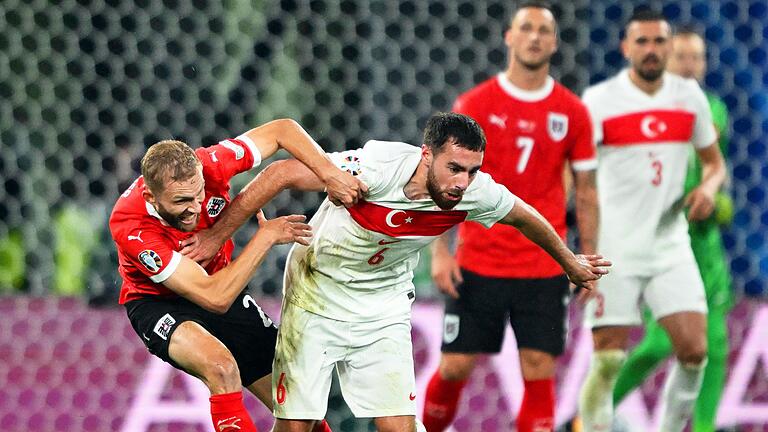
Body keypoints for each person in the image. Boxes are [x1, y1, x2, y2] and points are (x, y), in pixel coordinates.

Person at [199, 112, 610, 432]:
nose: (463, 183)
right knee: (296, 424)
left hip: (383, 307)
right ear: (426, 155)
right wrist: (217, 237)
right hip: (316, 295)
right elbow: (281, 172)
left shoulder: (474, 192)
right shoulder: (377, 168)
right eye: (454, 168)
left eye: (472, 171)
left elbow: (525, 218)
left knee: (398, 424)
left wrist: (569, 261)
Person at [109, 118, 366, 432]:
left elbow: (282, 130)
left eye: (199, 195)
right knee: (221, 368)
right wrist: (265, 237)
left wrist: (331, 175)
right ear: (151, 197)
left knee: (301, 407)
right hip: (161, 305)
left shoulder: (212, 162)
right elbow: (214, 298)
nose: (194, 209)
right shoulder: (131, 225)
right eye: (181, 202)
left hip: (220, 283)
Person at [419, 2, 598, 432]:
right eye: (526, 28)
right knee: (456, 365)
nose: (535, 36)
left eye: (544, 30)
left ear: (555, 42)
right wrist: (441, 254)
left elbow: (587, 191)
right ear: (509, 37)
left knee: (539, 366)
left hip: (543, 264)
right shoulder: (476, 103)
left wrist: (586, 257)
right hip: (480, 262)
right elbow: (440, 180)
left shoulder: (572, 112)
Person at [577, 9, 726, 432]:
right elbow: (582, 181)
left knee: (695, 351)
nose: (651, 50)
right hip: (615, 246)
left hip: (670, 245)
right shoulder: (600, 101)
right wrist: (585, 252)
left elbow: (714, 164)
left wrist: (709, 189)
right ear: (626, 48)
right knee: (608, 361)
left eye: (659, 42)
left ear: (669, 48)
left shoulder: (691, 98)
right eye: (642, 42)